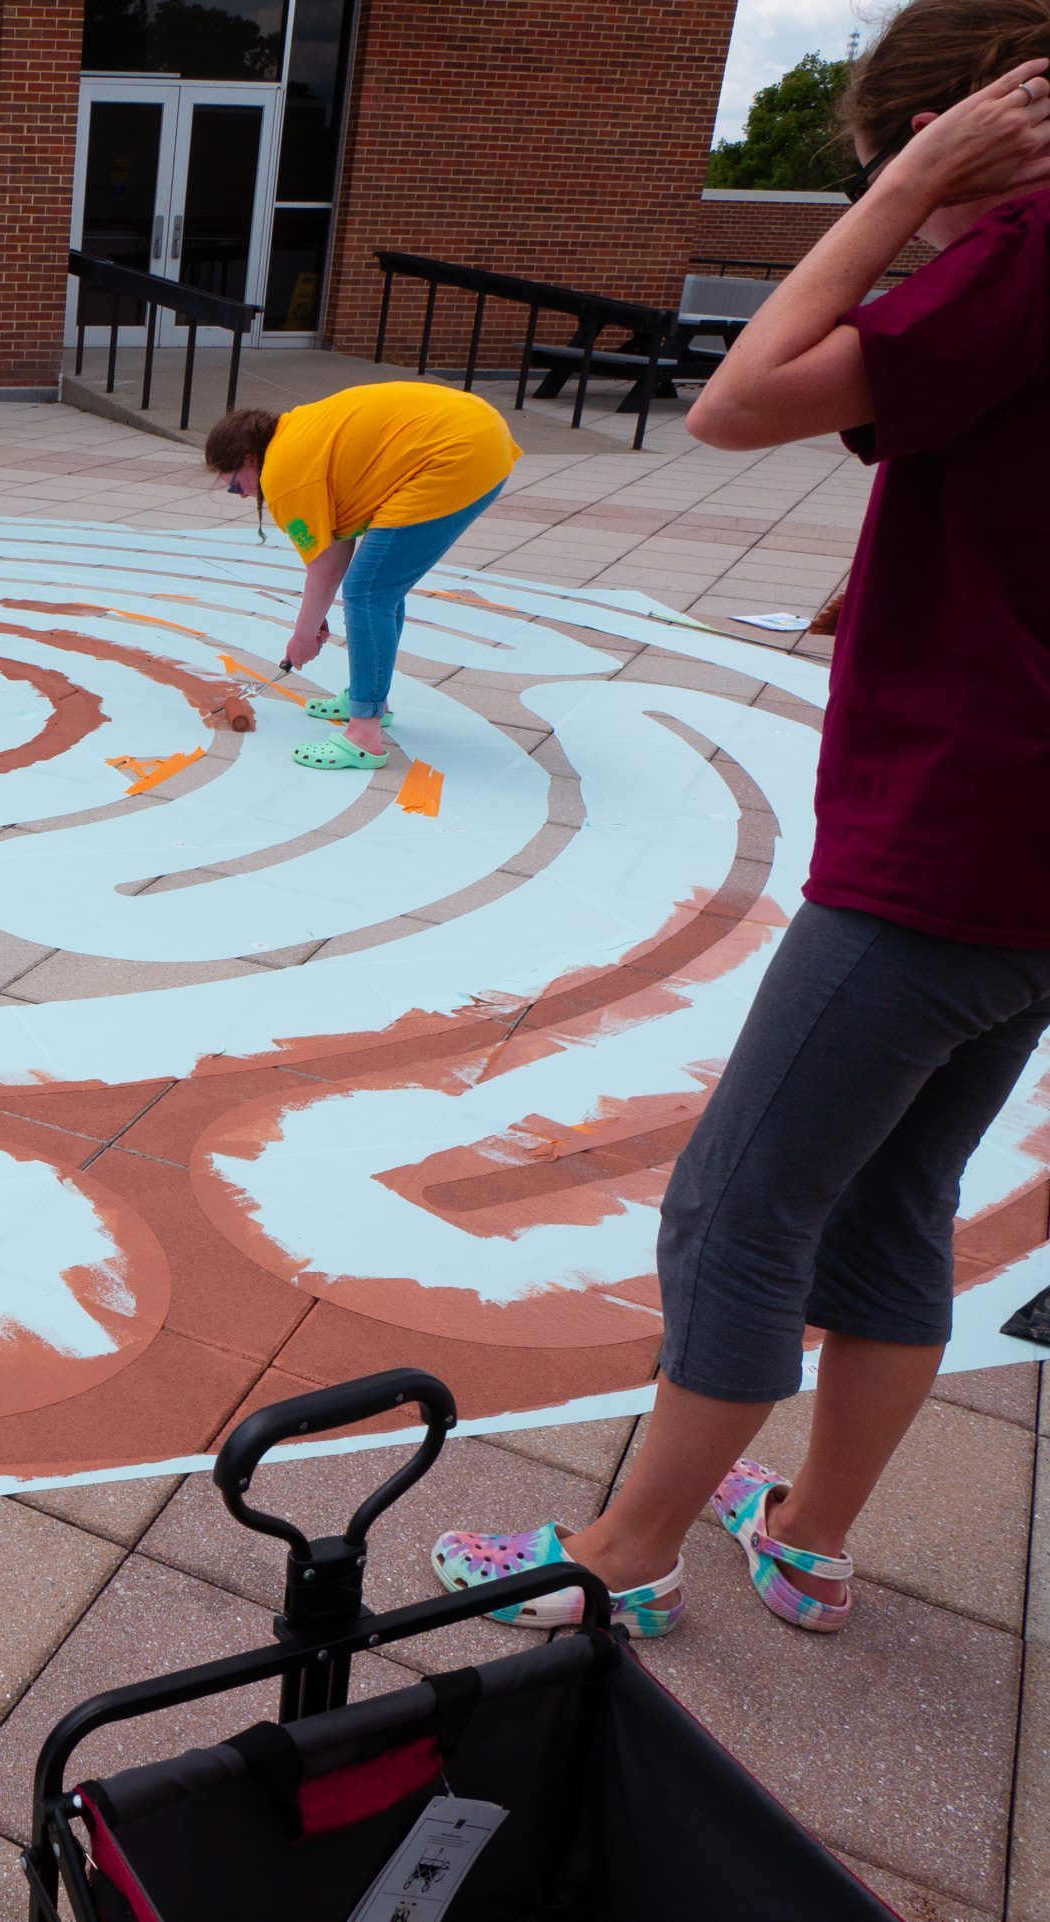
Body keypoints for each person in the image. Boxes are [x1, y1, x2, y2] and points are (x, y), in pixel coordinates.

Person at [432, 2, 1050, 1641]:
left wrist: (900, 195)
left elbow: (737, 401)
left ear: (972, 137)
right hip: (1033, 873)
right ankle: (812, 1537)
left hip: (960, 841)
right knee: (899, 1196)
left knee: (737, 1203)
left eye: (911, 179)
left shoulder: (1027, 246)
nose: (919, 239)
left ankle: (618, 1555)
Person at [202, 383, 519, 772]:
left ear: (250, 459)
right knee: (381, 584)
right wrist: (310, 621)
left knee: (369, 591)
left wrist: (303, 636)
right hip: (473, 429)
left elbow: (328, 568)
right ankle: (370, 697)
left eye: (235, 483)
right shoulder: (289, 436)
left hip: (456, 451)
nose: (239, 494)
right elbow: (334, 546)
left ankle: (364, 736)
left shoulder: (284, 474)